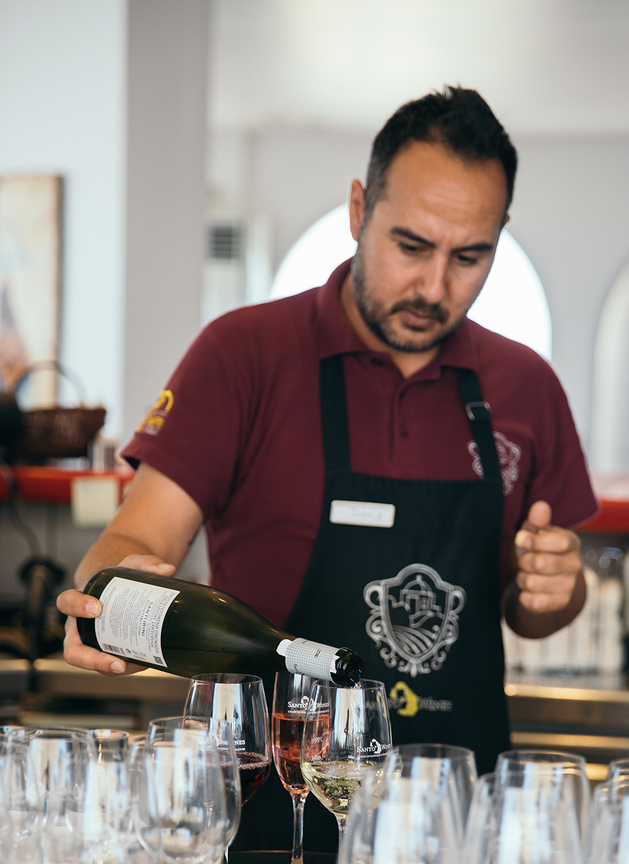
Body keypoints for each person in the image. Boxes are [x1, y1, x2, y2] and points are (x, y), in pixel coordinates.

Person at [55, 86, 598, 850]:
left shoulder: (526, 387)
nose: (435, 288)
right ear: (358, 210)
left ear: (500, 236)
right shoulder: (244, 355)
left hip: (450, 820)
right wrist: (109, 600)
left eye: (469, 256)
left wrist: (559, 590)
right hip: (268, 815)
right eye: (410, 246)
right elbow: (129, 543)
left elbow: (533, 608)